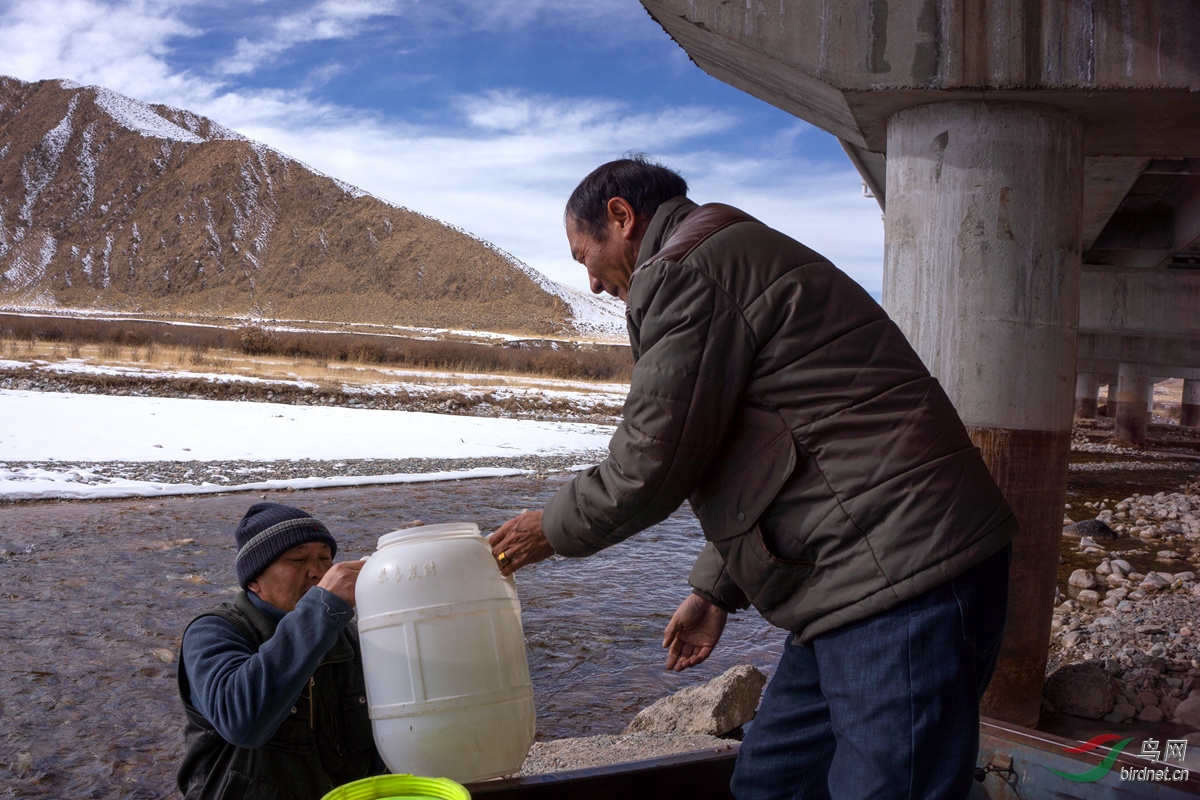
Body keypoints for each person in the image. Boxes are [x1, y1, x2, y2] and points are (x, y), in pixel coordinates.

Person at [488, 156, 1017, 800]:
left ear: (621, 218)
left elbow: (651, 461)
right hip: (853, 577)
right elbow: (762, 454)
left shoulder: (686, 272)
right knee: (773, 783)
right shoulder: (721, 256)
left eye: (584, 257)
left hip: (902, 577)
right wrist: (715, 592)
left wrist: (546, 529)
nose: (593, 284)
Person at [176, 502, 384, 800]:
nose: (318, 572)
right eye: (297, 559)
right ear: (253, 581)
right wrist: (322, 610)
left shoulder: (346, 637)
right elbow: (243, 721)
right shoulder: (213, 631)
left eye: (325, 558)